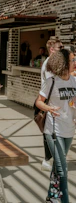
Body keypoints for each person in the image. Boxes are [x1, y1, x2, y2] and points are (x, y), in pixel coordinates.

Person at [36, 49, 76, 203]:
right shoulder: (51, 81)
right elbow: (38, 101)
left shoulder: (74, 81)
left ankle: (52, 195)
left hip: (69, 129)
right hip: (53, 129)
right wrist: (48, 108)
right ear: (64, 63)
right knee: (62, 168)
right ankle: (65, 200)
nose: (75, 63)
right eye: (72, 60)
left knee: (58, 165)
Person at [41, 37, 64, 171]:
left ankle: (51, 159)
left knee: (52, 131)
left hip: (50, 101)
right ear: (51, 49)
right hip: (49, 101)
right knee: (50, 132)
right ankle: (48, 160)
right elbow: (52, 83)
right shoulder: (50, 64)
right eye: (59, 48)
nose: (61, 50)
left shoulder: (51, 62)